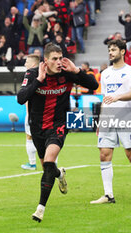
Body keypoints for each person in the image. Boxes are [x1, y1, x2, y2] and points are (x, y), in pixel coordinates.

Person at [17, 43, 98, 222]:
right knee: (48, 167)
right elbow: (21, 99)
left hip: (58, 125)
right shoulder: (32, 74)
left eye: (60, 58)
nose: (59, 62)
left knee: (49, 161)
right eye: (54, 59)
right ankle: (59, 174)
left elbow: (94, 84)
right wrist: (38, 79)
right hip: (37, 127)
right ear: (46, 61)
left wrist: (77, 71)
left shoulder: (67, 73)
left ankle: (40, 209)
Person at [90, 39, 131, 205]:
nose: (110, 52)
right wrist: (100, 122)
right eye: (109, 50)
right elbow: (105, 99)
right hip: (108, 118)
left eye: (114, 50)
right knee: (104, 154)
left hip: (125, 118)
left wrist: (117, 97)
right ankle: (108, 195)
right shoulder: (106, 73)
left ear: (123, 52)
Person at [21, 54, 40, 170]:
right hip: (44, 113)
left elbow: (27, 96)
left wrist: (28, 114)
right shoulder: (44, 74)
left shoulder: (29, 75)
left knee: (29, 137)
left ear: (33, 64)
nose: (25, 64)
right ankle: (52, 163)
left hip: (32, 113)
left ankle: (32, 163)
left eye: (27, 62)